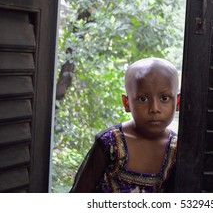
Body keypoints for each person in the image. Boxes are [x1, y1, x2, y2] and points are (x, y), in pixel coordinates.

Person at [70, 57, 180, 193]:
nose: (154, 108)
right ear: (126, 103)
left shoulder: (178, 150)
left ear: (177, 102)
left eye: (164, 98)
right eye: (143, 99)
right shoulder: (110, 143)